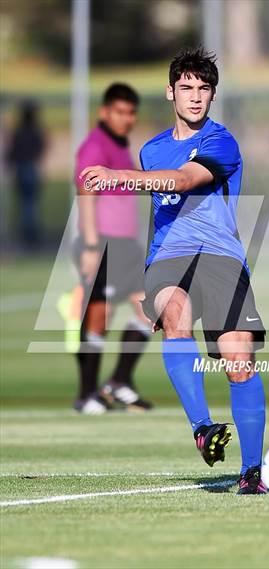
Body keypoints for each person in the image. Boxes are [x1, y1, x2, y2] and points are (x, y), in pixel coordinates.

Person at [81, 49, 266, 494]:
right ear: (170, 92)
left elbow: (182, 180)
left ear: (213, 95)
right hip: (169, 258)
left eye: (204, 89)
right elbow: (163, 210)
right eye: (186, 87)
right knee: (175, 314)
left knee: (239, 362)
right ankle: (203, 428)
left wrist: (116, 176)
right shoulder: (152, 149)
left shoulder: (222, 142)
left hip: (221, 257)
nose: (196, 96)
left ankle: (252, 473)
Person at [74, 83, 153, 415]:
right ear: (105, 112)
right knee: (98, 317)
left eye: (131, 112)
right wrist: (91, 246)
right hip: (102, 243)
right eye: (120, 111)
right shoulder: (95, 145)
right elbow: (87, 195)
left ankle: (119, 381)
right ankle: (87, 394)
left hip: (125, 246)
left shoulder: (120, 145)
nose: (127, 118)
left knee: (148, 313)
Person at [6, 100, 46, 248]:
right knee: (30, 204)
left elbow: (12, 152)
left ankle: (29, 233)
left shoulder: (20, 132)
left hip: (24, 169)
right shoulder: (34, 131)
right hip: (30, 169)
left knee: (26, 204)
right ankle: (30, 233)